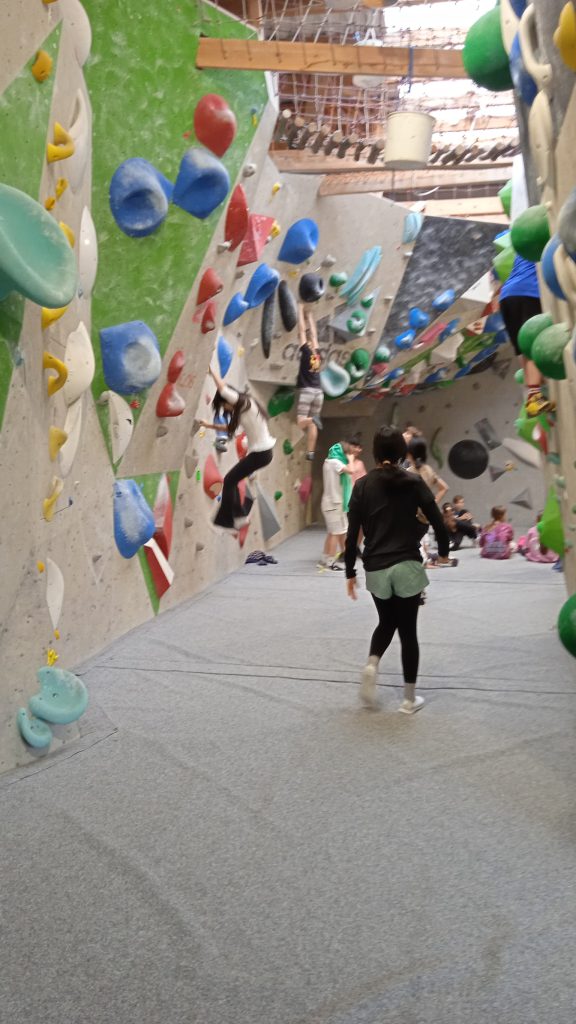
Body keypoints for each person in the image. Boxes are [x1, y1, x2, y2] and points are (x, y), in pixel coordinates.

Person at [345, 426, 451, 714]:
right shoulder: (414, 481)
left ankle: (372, 663)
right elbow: (438, 521)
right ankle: (408, 700)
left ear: (375, 453)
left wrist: (350, 572)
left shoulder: (362, 485)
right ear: (402, 453)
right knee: (407, 631)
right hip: (406, 564)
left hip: (375, 567)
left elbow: (352, 534)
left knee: (386, 621)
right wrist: (443, 553)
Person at [199, 366, 275, 531]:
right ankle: (238, 516)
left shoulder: (244, 402)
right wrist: (209, 425)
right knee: (231, 480)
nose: (225, 409)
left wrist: (212, 371)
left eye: (224, 405)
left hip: (261, 453)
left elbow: (223, 389)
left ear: (229, 401)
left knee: (229, 480)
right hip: (263, 453)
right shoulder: (244, 409)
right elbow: (229, 428)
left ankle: (232, 518)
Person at [499, 253, 555, 418]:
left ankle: (534, 397)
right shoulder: (544, 242)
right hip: (528, 291)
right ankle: (535, 396)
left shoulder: (522, 252)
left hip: (507, 296)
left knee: (522, 348)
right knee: (533, 344)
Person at [319, 439, 356, 571]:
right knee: (335, 533)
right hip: (334, 503)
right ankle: (330, 562)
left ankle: (324, 558)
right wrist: (351, 459)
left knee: (332, 532)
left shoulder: (327, 461)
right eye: (347, 453)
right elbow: (351, 470)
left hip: (330, 503)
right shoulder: (335, 462)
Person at [296, 303, 323, 461]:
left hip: (307, 391)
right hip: (318, 393)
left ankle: (313, 419)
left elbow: (302, 331)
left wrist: (300, 309)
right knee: (312, 425)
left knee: (301, 422)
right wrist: (310, 316)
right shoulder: (317, 354)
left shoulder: (306, 351)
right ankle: (310, 452)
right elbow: (314, 334)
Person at [406, 438, 448, 505]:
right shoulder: (428, 469)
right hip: (425, 510)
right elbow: (444, 487)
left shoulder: (409, 471)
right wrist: (432, 505)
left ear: (411, 454)